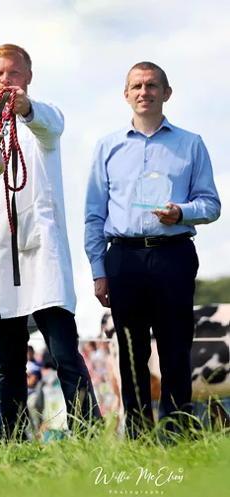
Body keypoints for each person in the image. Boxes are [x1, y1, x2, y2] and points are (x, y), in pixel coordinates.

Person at [0, 43, 100, 439]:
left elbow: (51, 124)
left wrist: (27, 108)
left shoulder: (43, 120)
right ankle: (13, 441)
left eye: (13, 73)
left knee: (64, 355)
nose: (5, 80)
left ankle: (88, 433)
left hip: (41, 257)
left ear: (28, 77)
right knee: (8, 364)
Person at [84, 61, 221, 437]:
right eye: (137, 86)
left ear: (166, 93)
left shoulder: (190, 144)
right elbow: (94, 215)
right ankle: (139, 435)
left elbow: (211, 204)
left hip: (173, 255)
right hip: (123, 257)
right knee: (131, 353)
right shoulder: (107, 147)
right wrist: (98, 269)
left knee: (176, 348)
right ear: (126, 95)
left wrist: (182, 212)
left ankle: (178, 432)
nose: (144, 92)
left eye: (152, 85)